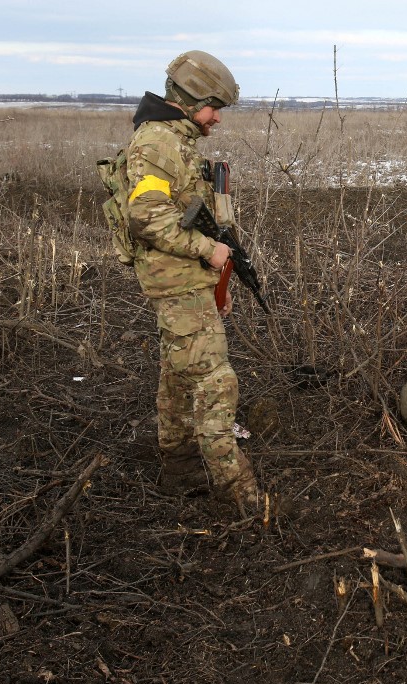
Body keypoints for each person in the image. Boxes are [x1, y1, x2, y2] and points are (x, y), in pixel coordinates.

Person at [125, 50, 257, 513]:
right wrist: (207, 251)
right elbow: (145, 217)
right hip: (176, 280)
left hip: (184, 280)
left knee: (178, 378)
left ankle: (179, 467)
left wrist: (216, 278)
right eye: (213, 107)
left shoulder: (173, 140)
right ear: (189, 99)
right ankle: (237, 493)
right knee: (216, 381)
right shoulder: (158, 143)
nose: (217, 118)